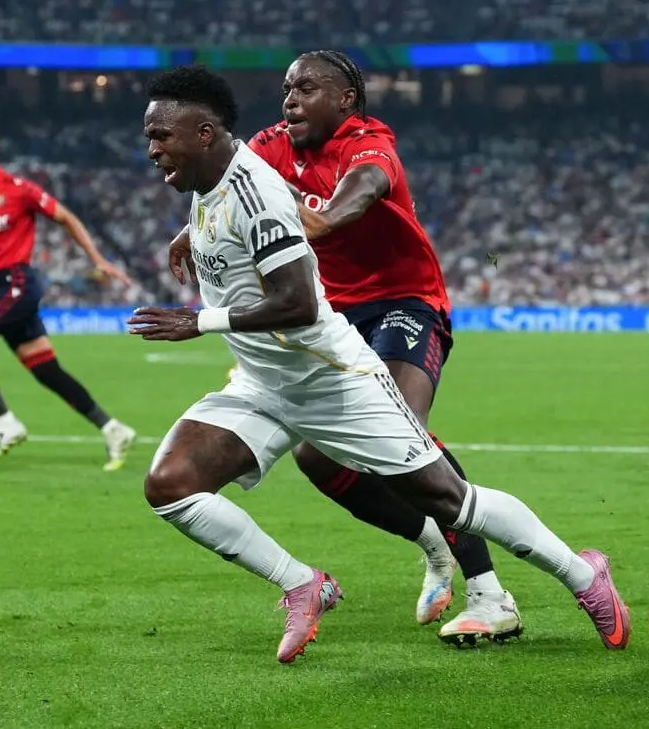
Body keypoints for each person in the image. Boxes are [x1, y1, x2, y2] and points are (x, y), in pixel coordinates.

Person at [131, 65, 629, 664]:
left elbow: (295, 301)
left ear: (205, 133)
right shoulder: (232, 165)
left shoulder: (292, 177)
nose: (152, 149)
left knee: (450, 499)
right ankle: (301, 583)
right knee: (171, 486)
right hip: (264, 381)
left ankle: (581, 575)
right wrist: (193, 227)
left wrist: (200, 320)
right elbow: (232, 199)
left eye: (162, 136)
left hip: (337, 373)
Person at [168, 49, 518, 646]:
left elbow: (365, 188)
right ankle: (432, 543)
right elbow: (227, 179)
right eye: (286, 89)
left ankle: (489, 592)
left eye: (306, 89)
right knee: (316, 459)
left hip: (406, 300)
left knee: (408, 429)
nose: (290, 100)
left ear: (345, 99)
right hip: (334, 309)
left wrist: (328, 218)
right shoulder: (274, 143)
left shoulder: (369, 141)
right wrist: (188, 231)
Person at [0, 118, 137, 469]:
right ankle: (112, 428)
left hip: (19, 282)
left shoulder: (19, 189)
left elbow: (66, 217)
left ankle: (5, 423)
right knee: (47, 371)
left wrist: (97, 259)